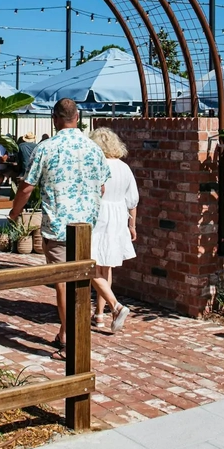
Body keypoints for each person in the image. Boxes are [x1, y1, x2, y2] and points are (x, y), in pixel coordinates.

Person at [9, 99, 110, 359]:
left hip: (57, 225)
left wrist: (14, 213)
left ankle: (69, 342)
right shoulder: (94, 148)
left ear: (55, 118)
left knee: (64, 283)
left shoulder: (45, 148)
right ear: (77, 117)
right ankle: (69, 334)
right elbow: (102, 187)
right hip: (86, 226)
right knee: (82, 281)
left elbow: (28, 186)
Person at [88, 128, 136, 332]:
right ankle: (99, 314)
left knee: (87, 265)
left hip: (98, 215)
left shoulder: (95, 166)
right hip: (118, 216)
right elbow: (133, 200)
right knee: (106, 266)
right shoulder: (124, 167)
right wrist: (132, 225)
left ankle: (114, 306)